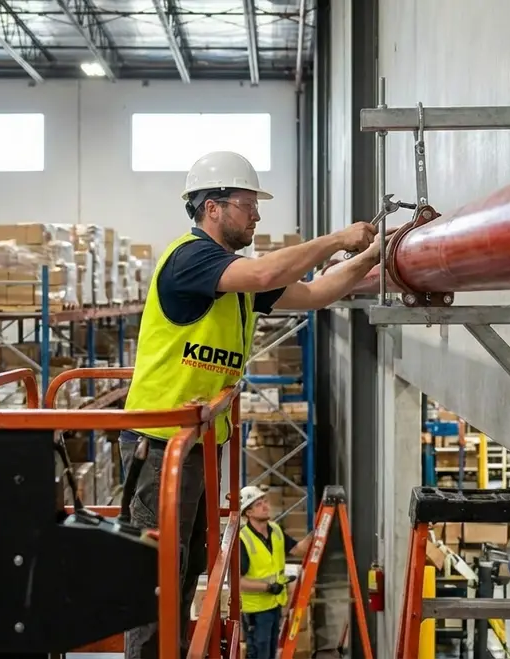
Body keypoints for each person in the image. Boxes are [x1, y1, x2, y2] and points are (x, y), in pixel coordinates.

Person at [119, 150, 384, 658]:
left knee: (188, 566)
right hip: (159, 444)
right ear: (212, 208)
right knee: (158, 576)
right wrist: (334, 239)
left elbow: (314, 294)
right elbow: (264, 276)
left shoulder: (231, 281)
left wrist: (370, 257)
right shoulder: (190, 259)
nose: (257, 215)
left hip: (193, 442)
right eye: (247, 204)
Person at [237, 485, 312, 659]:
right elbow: (238, 582)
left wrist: (316, 533)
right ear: (248, 512)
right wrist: (268, 587)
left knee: (270, 653)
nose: (265, 506)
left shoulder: (275, 530)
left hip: (274, 605)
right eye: (258, 504)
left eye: (265, 502)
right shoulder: (243, 539)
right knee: (259, 653)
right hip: (255, 610)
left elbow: (297, 550)